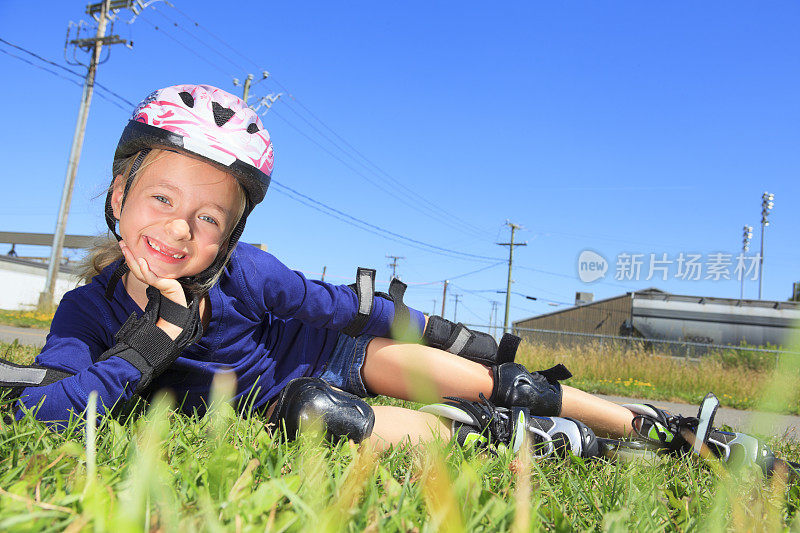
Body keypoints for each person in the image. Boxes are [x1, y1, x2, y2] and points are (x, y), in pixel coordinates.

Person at [4, 84, 765, 469]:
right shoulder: (86, 311)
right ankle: (521, 443)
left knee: (490, 376)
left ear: (231, 233)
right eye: (161, 198)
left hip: (338, 352)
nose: (179, 227)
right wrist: (149, 346)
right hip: (294, 400)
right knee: (310, 408)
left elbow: (339, 306)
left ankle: (658, 428)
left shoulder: (252, 274)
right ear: (118, 197)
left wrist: (451, 337)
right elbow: (45, 412)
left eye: (208, 217)